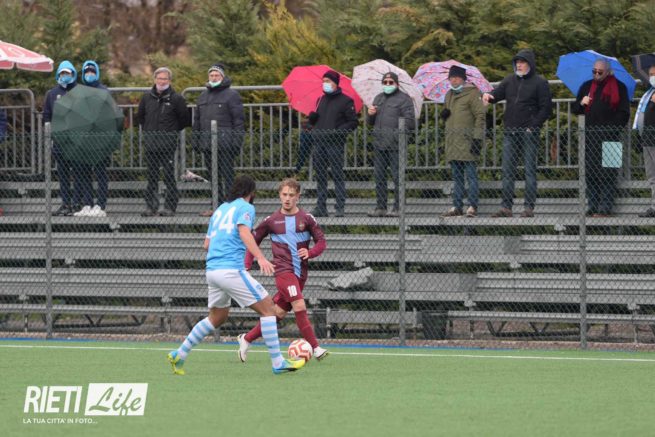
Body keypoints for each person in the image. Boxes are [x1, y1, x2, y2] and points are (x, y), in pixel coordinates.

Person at [167, 175, 305, 375]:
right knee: (269, 309)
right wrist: (260, 258)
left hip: (212, 271)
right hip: (230, 270)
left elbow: (207, 244)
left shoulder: (220, 210)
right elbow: (244, 232)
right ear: (251, 192)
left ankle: (179, 354)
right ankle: (278, 362)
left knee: (217, 318)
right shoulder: (246, 207)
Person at [238, 178, 329, 362]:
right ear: (279, 195)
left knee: (277, 313)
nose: (287, 198)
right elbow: (252, 242)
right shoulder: (271, 221)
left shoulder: (307, 219)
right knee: (299, 306)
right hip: (283, 272)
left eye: (291, 195)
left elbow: (321, 242)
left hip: (300, 275)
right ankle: (316, 347)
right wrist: (247, 265)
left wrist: (310, 252)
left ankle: (246, 339)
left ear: (298, 197)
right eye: (284, 194)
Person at [482, 49, 552, 217]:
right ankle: (506, 207)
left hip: (529, 133)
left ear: (530, 64)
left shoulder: (540, 82)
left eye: (522, 62)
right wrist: (488, 96)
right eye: (517, 62)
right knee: (507, 171)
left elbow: (546, 109)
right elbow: (497, 94)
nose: (519, 65)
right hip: (510, 132)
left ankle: (528, 208)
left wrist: (533, 126)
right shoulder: (509, 80)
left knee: (529, 171)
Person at [572, 59, 630, 217]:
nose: (596, 74)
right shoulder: (586, 86)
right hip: (590, 137)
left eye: (600, 72)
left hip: (611, 137)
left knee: (609, 173)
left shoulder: (620, 87)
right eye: (594, 71)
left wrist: (610, 129)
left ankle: (605, 207)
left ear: (608, 72)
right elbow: (575, 109)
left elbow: (624, 113)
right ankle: (593, 205)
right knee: (590, 172)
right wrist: (582, 103)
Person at [137, 67, 191, 217]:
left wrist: (170, 131)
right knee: (152, 176)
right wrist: (149, 131)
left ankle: (170, 206)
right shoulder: (146, 97)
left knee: (169, 175)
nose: (162, 81)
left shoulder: (177, 98)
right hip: (151, 144)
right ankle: (151, 206)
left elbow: (184, 119)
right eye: (159, 78)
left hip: (168, 144)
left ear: (169, 80)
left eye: (165, 79)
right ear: (155, 79)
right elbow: (140, 117)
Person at [193, 63, 245, 217]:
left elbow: (239, 121)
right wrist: (196, 140)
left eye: (217, 75)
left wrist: (237, 142)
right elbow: (197, 120)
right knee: (212, 176)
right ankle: (216, 205)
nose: (214, 77)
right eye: (211, 75)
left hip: (226, 143)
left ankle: (230, 206)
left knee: (227, 175)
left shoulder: (232, 95)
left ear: (222, 77)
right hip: (207, 143)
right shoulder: (202, 96)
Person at [307, 70, 358, 217]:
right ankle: (321, 206)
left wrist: (337, 132)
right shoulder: (320, 100)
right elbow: (313, 123)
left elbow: (353, 122)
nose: (325, 84)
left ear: (335, 83)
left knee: (337, 174)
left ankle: (340, 206)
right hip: (319, 143)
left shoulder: (346, 101)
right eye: (323, 81)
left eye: (328, 81)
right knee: (320, 175)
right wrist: (311, 120)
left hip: (335, 143)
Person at [365, 72, 416, 218]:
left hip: (396, 145)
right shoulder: (378, 98)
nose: (387, 84)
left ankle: (398, 208)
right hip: (379, 144)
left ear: (397, 84)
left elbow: (410, 122)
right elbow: (370, 123)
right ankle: (381, 207)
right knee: (379, 177)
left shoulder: (405, 99)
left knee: (397, 177)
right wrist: (370, 114)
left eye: (390, 82)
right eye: (385, 82)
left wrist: (395, 134)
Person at [440, 66, 487, 218]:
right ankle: (457, 206)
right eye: (451, 77)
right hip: (452, 142)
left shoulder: (473, 93)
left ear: (463, 79)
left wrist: (477, 138)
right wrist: (444, 115)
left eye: (456, 77)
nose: (453, 80)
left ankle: (472, 206)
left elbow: (480, 115)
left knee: (471, 176)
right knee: (457, 177)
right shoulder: (448, 94)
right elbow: (448, 116)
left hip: (468, 141)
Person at [73, 60, 112, 217]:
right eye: (87, 72)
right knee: (84, 173)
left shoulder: (104, 91)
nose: (89, 74)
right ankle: (87, 204)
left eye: (92, 72)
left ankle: (100, 205)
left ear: (97, 73)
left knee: (100, 172)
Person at [44, 60, 79, 216]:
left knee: (78, 173)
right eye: (63, 73)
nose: (65, 76)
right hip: (59, 141)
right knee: (63, 174)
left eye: (68, 73)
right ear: (59, 74)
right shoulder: (52, 93)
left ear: (73, 74)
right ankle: (65, 203)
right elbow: (47, 115)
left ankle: (76, 203)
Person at [633, 64, 655, 218]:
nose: (652, 77)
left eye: (654, 74)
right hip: (647, 138)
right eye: (650, 74)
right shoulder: (649, 92)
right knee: (652, 175)